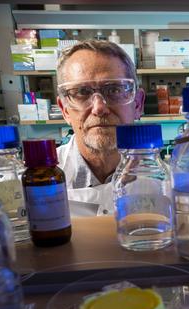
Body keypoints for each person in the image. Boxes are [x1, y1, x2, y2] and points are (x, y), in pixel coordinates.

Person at [55, 40, 145, 216]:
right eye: (81, 92)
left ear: (138, 104)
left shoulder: (166, 181)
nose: (99, 108)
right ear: (64, 110)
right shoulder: (29, 182)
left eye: (114, 90)